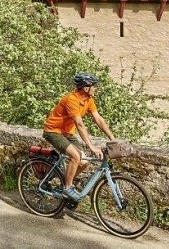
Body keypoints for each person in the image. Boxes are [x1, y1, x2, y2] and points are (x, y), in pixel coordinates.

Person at [42, 72, 115, 200]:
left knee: (84, 162)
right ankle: (67, 187)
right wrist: (91, 147)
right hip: (53, 131)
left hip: (67, 133)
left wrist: (112, 139)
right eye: (94, 86)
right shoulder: (71, 100)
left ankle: (63, 184)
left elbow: (98, 119)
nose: (95, 88)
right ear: (86, 88)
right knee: (75, 157)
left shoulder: (88, 100)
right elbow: (79, 125)